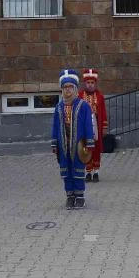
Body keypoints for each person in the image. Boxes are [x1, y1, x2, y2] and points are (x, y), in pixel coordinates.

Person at [51, 69, 95, 209]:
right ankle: (70, 196)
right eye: (65, 87)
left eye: (70, 87)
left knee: (78, 170)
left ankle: (80, 197)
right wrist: (54, 142)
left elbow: (88, 124)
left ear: (75, 88)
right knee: (66, 171)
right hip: (64, 145)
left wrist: (89, 142)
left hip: (78, 145)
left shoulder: (83, 106)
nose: (67, 90)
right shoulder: (58, 107)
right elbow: (55, 126)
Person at [78, 69, 107, 182]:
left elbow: (103, 112)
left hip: (96, 126)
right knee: (86, 148)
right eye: (88, 83)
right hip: (84, 127)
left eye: (92, 83)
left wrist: (104, 126)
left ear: (95, 83)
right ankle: (88, 172)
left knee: (95, 149)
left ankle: (96, 172)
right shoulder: (80, 96)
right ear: (85, 83)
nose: (90, 85)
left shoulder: (100, 96)